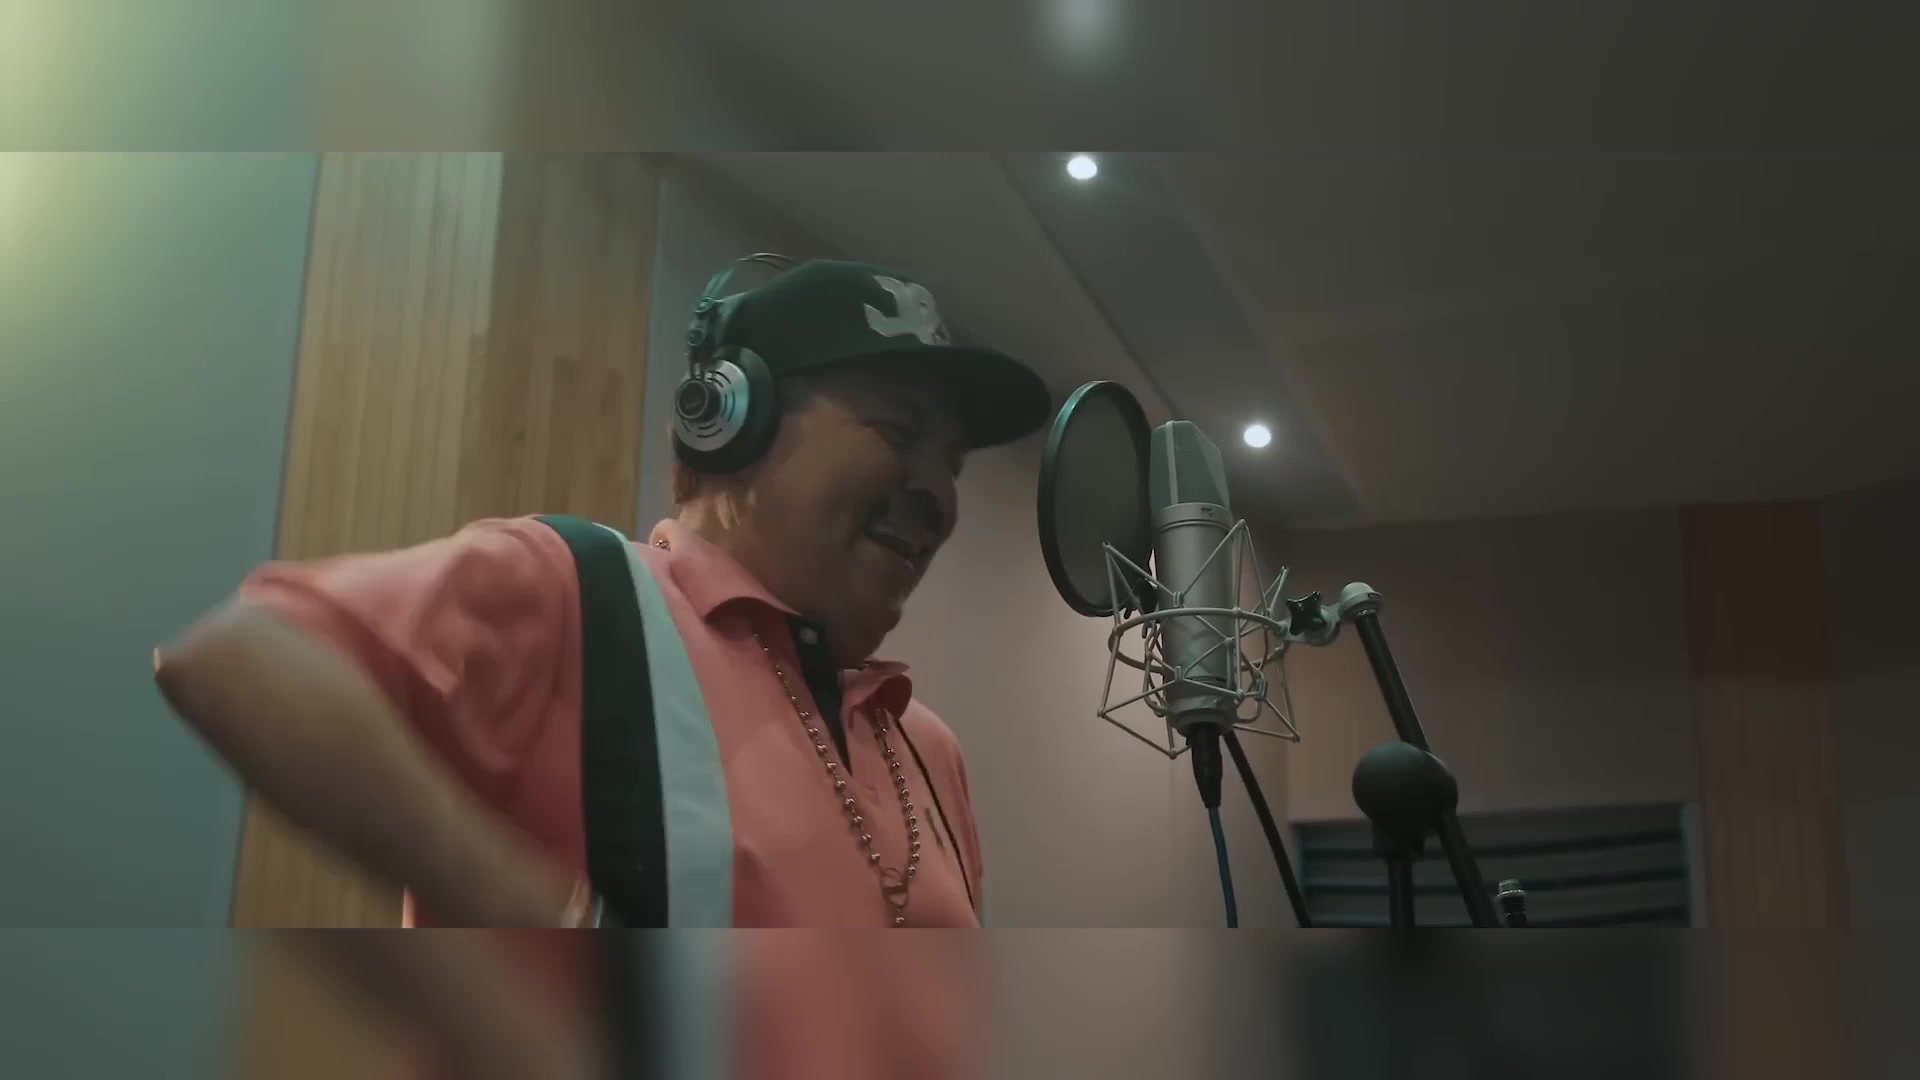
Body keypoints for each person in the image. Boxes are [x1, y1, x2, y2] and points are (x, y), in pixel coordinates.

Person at [154, 257, 1051, 1077]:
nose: (937, 497)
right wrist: (542, 927)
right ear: (729, 423)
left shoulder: (926, 749)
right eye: (898, 432)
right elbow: (244, 655)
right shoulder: (576, 593)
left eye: (952, 467)